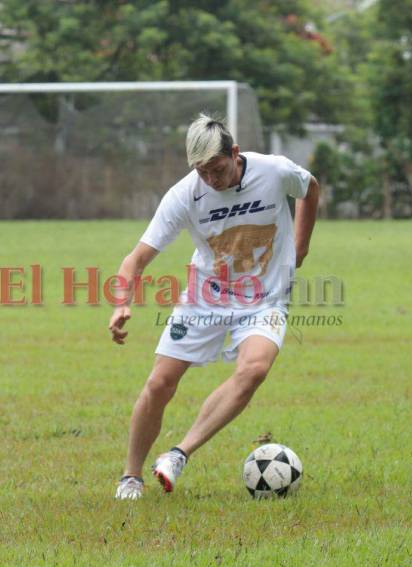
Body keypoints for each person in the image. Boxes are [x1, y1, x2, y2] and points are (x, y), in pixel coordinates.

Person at [109, 113, 319, 500]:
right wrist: (122, 304)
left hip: (265, 298)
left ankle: (178, 454)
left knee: (254, 369)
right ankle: (130, 477)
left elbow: (309, 189)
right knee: (160, 383)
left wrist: (301, 246)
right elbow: (136, 258)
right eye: (201, 171)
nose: (210, 179)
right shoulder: (185, 195)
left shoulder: (273, 171)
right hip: (207, 296)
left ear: (234, 154)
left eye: (217, 168)